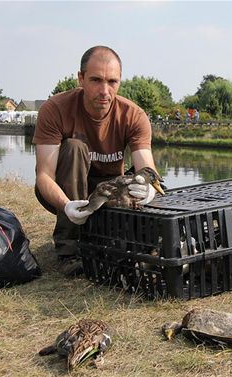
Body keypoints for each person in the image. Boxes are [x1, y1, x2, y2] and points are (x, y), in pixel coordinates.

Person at [32, 45, 159, 277]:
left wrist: (148, 189)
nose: (105, 90)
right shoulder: (55, 109)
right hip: (65, 187)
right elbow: (44, 175)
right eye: (96, 80)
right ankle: (68, 251)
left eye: (112, 81)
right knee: (73, 147)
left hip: (108, 190)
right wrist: (66, 205)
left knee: (137, 185)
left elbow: (146, 166)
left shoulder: (134, 115)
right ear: (80, 78)